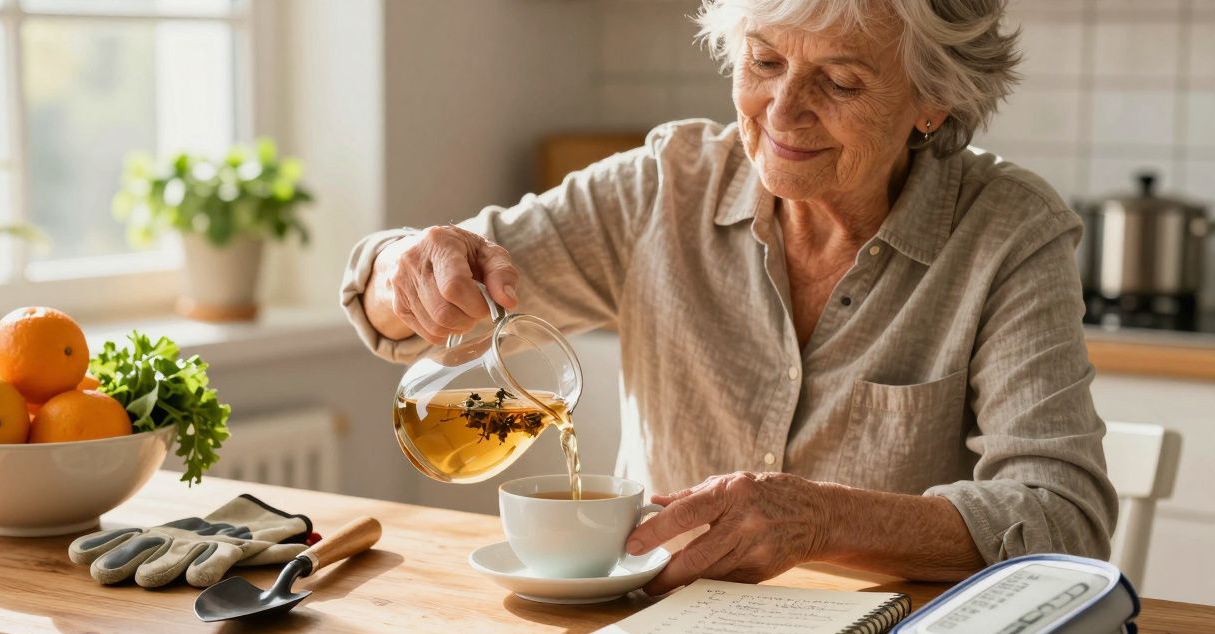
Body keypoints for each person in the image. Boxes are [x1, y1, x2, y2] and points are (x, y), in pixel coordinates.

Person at [341, 0, 1116, 596]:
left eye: (841, 82)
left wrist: (820, 520)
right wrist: (400, 268)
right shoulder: (662, 188)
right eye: (765, 61)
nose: (782, 113)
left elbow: (1062, 518)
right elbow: (409, 308)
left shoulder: (1009, 231)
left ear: (933, 102)